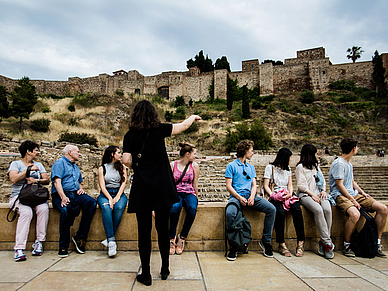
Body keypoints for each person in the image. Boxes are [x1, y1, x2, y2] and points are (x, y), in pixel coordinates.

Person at [122, 99, 201, 286]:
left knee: (144, 232)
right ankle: (165, 268)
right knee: (163, 230)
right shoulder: (159, 129)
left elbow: (125, 159)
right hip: (162, 187)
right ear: (153, 114)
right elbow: (182, 126)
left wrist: (137, 166)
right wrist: (192, 116)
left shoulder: (130, 135)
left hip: (142, 188)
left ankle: (146, 274)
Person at [329, 138, 387, 257]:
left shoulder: (349, 164)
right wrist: (352, 200)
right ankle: (347, 245)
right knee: (355, 214)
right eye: (357, 147)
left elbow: (352, 181)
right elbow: (339, 185)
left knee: (383, 209)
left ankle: (376, 242)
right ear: (353, 148)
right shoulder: (339, 163)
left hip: (353, 193)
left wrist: (362, 193)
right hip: (340, 195)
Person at [225, 140, 276, 261]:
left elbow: (254, 184)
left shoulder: (251, 167)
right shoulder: (231, 166)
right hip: (236, 197)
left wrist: (252, 196)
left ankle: (265, 242)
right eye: (251, 150)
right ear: (245, 150)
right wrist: (239, 197)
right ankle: (233, 246)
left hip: (250, 195)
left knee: (271, 209)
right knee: (230, 213)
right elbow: (229, 186)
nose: (253, 153)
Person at [51, 144, 97, 258]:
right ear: (70, 152)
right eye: (78, 151)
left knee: (91, 202)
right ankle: (63, 246)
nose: (80, 154)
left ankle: (80, 236)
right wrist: (62, 197)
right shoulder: (59, 163)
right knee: (65, 211)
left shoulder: (75, 167)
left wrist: (81, 189)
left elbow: (79, 182)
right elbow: (57, 182)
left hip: (75, 194)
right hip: (61, 194)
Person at [7, 140, 50, 262]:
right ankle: (19, 248)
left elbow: (46, 180)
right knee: (26, 213)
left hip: (36, 197)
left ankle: (39, 242)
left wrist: (36, 180)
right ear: (28, 151)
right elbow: (13, 179)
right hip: (20, 197)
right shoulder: (16, 164)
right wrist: (28, 170)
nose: (38, 153)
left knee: (44, 209)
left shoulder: (39, 165)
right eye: (36, 150)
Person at [264, 148, 305, 257]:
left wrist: (290, 193)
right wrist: (273, 195)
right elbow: (265, 185)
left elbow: (290, 184)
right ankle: (281, 244)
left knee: (297, 210)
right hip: (275, 194)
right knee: (280, 213)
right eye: (289, 159)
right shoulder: (270, 168)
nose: (290, 161)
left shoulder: (288, 170)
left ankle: (300, 242)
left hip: (287, 194)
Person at [295, 144, 334, 259]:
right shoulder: (300, 167)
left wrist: (323, 191)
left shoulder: (316, 166)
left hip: (318, 193)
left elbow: (322, 180)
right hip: (305, 194)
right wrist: (312, 195)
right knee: (318, 210)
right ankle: (328, 243)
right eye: (315, 153)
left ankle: (325, 240)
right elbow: (301, 185)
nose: (317, 156)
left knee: (327, 209)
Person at [97, 145, 128, 257]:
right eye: (118, 152)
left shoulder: (122, 167)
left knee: (119, 207)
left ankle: (109, 239)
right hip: (106, 194)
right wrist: (110, 198)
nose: (120, 154)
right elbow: (102, 186)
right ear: (112, 154)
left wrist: (117, 197)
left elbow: (124, 183)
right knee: (106, 207)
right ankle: (112, 242)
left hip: (119, 193)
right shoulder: (102, 168)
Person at [169, 142, 199, 255]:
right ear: (187, 154)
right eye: (194, 153)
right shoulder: (173, 165)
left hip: (189, 192)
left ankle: (182, 237)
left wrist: (197, 198)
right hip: (176, 193)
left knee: (192, 208)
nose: (195, 156)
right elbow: (170, 183)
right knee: (175, 207)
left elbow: (195, 184)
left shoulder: (194, 166)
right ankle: (171, 238)